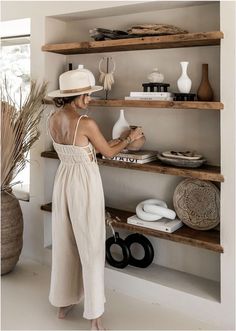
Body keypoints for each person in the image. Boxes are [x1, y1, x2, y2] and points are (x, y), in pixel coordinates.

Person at [47, 66, 144, 331]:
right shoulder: (86, 122)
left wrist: (115, 141)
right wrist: (130, 138)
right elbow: (108, 154)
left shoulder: (53, 118)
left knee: (65, 241)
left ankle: (63, 303)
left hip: (63, 180)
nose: (89, 100)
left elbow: (88, 148)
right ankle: (94, 315)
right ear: (74, 96)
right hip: (84, 184)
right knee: (90, 244)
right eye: (86, 95)